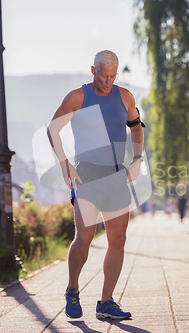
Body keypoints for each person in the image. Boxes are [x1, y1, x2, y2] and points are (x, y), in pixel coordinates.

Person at [47, 50, 144, 320]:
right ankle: (73, 289)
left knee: (119, 239)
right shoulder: (77, 97)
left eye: (112, 76)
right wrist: (64, 162)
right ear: (93, 70)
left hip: (116, 176)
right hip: (87, 176)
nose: (108, 81)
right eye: (103, 76)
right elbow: (53, 129)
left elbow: (136, 127)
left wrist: (137, 159)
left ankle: (106, 302)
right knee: (85, 238)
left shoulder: (125, 96)